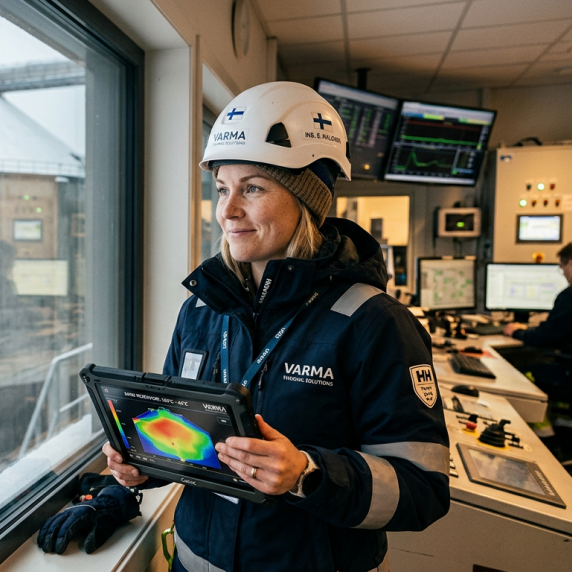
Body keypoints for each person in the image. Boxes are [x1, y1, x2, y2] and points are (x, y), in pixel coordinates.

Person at [103, 82, 450, 571]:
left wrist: (307, 474)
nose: (227, 210)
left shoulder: (375, 322)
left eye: (253, 188)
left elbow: (422, 490)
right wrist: (138, 469)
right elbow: (186, 442)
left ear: (308, 199)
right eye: (223, 189)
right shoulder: (201, 311)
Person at [502, 241, 572, 358]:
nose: (564, 274)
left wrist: (515, 332)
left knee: (514, 369)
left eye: (562, 269)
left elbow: (545, 337)